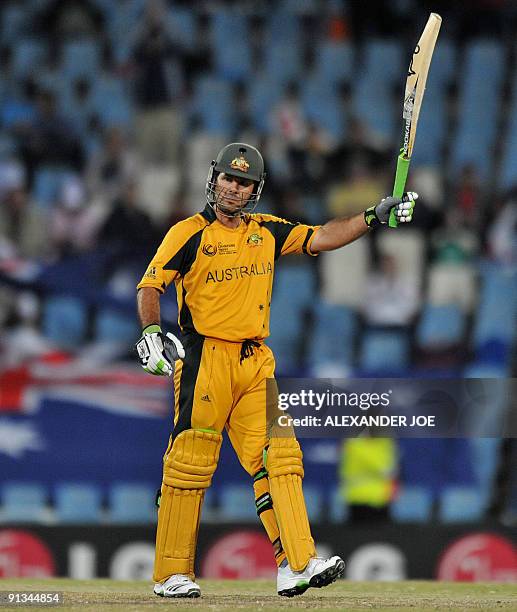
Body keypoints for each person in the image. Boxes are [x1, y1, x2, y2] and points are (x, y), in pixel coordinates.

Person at [135, 143, 417, 599]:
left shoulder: (266, 230)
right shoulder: (187, 232)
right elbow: (150, 285)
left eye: (243, 182)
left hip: (255, 362)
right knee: (190, 466)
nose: (233, 187)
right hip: (205, 358)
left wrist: (372, 216)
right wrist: (150, 330)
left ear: (255, 190)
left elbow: (322, 236)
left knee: (281, 458)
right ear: (214, 179)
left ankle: (297, 564)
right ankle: (171, 574)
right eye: (227, 177)